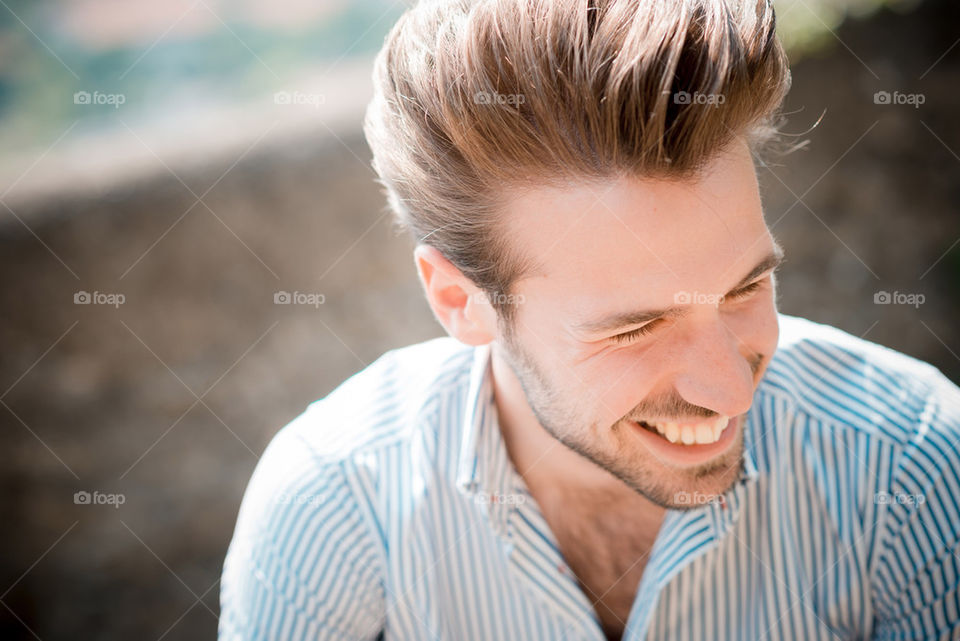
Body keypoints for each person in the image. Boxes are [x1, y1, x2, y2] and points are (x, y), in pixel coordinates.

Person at [219, 1, 960, 639]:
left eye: (746, 287)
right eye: (635, 327)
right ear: (460, 301)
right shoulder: (334, 502)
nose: (731, 390)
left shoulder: (911, 465)